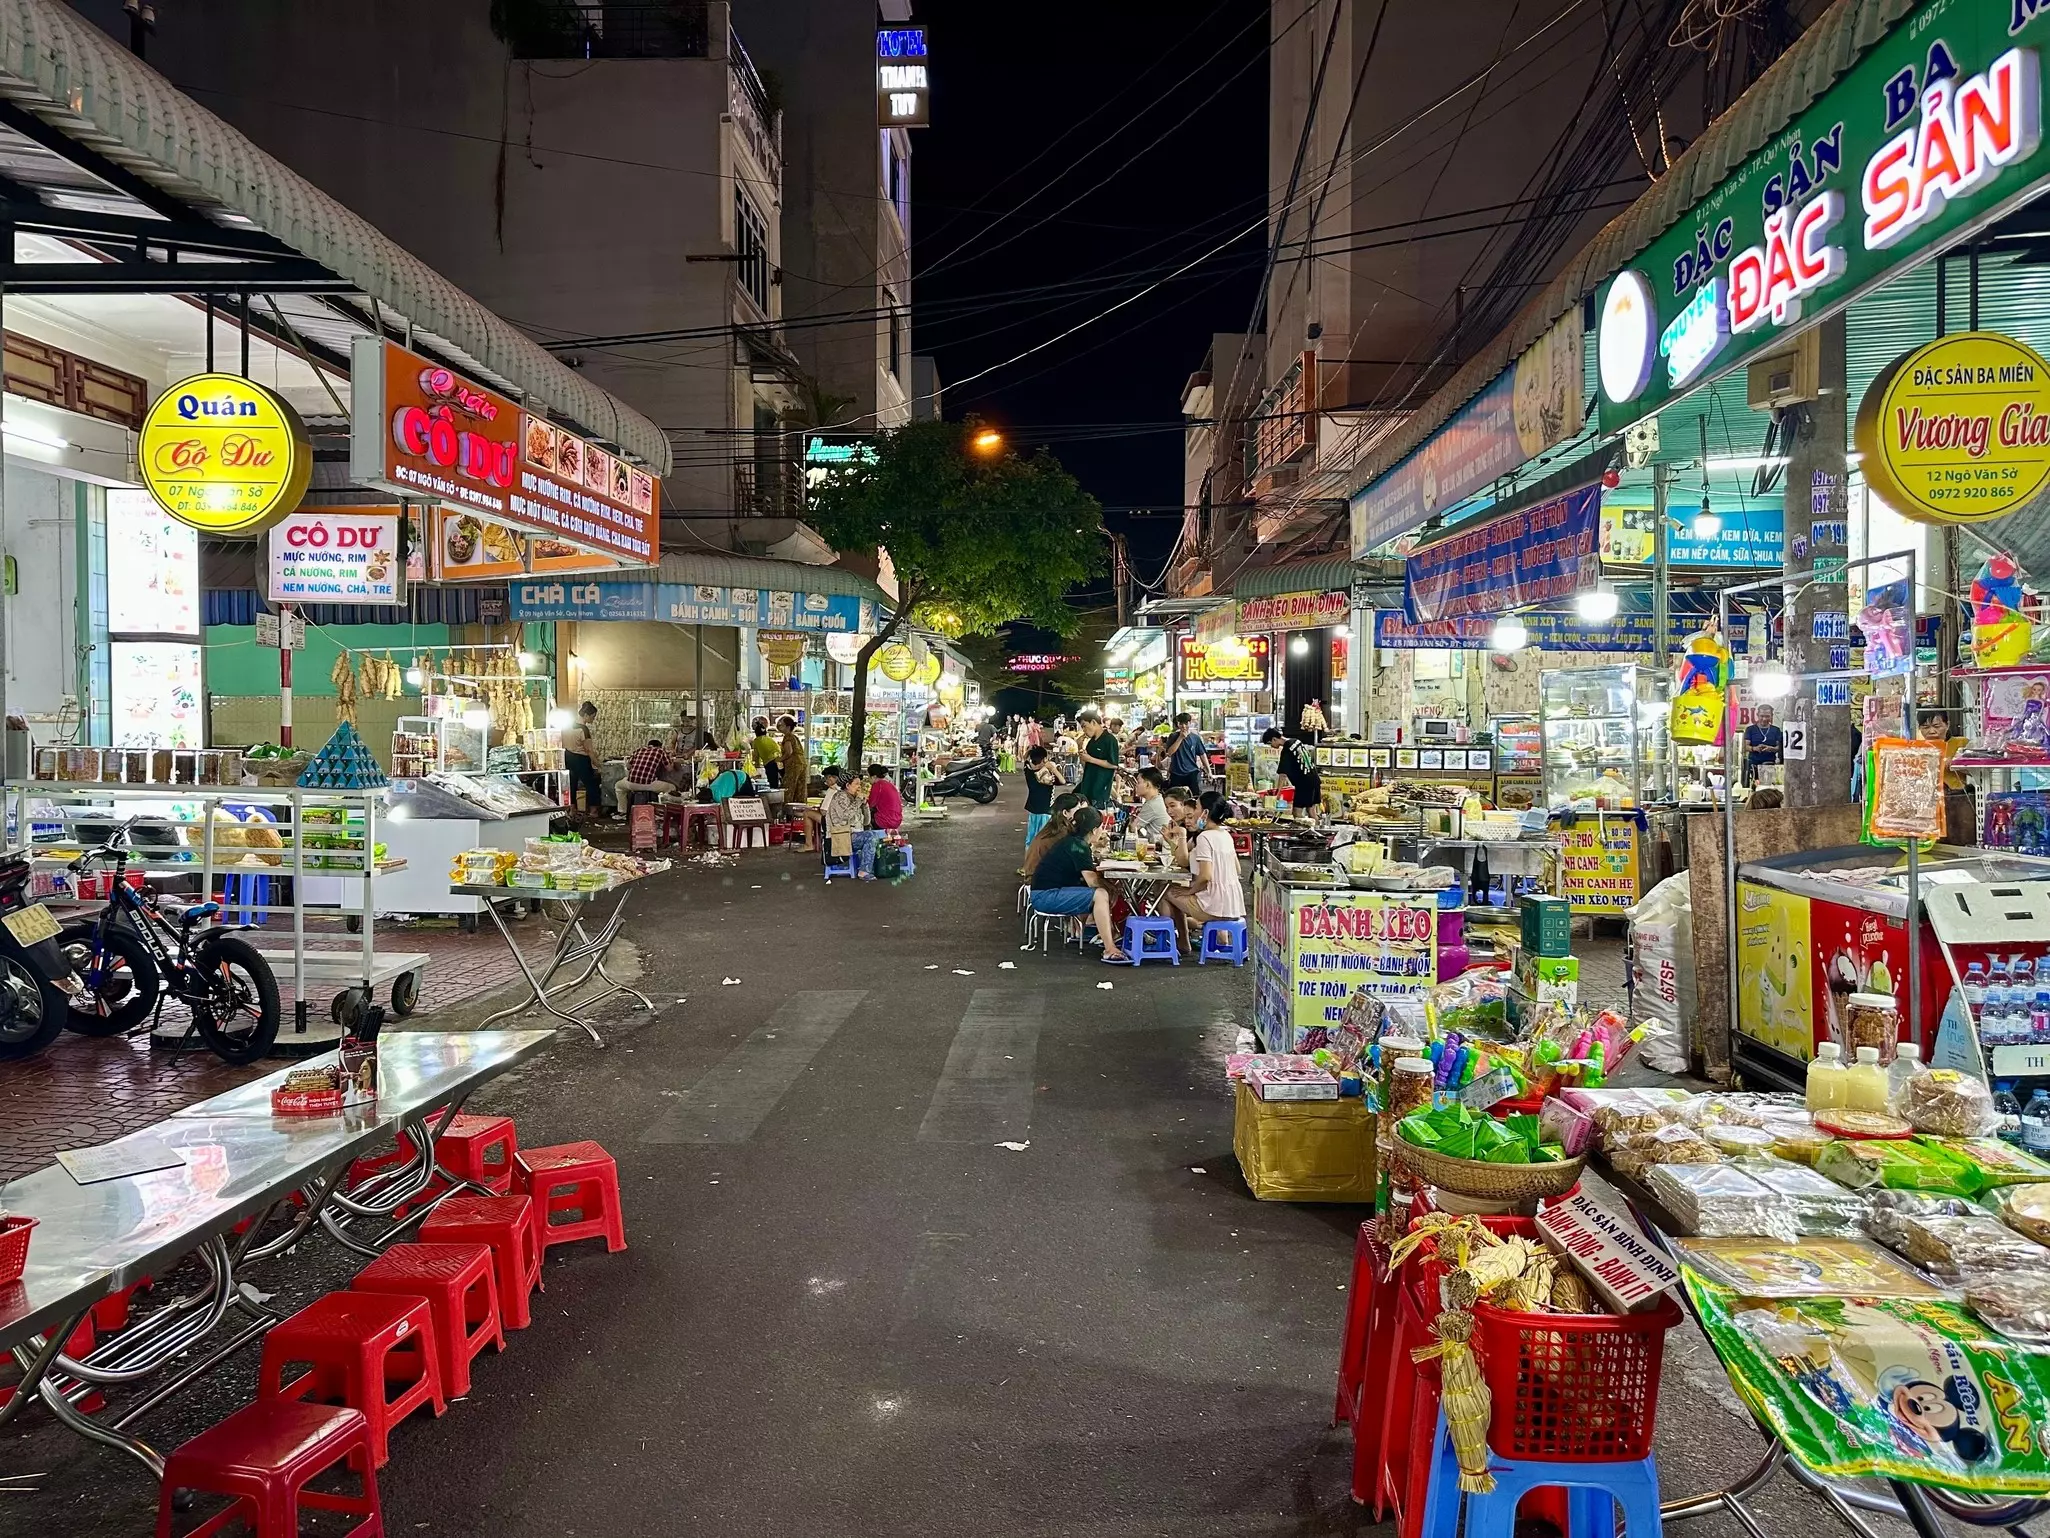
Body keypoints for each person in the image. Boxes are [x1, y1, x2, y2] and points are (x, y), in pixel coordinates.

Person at [1029, 806, 1128, 962]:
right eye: (1101, 827)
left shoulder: (1072, 842)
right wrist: (1109, 887)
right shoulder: (1079, 847)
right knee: (1100, 894)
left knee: (1095, 891)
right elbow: (1092, 882)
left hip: (1043, 893)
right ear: (1095, 830)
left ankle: (1084, 931)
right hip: (1046, 897)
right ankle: (1110, 949)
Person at [1162, 796, 1247, 952]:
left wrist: (1190, 891)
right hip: (1233, 905)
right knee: (1177, 892)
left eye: (1197, 808)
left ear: (1205, 812)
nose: (1194, 813)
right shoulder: (1225, 835)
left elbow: (1205, 877)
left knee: (1166, 891)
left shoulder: (1204, 837)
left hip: (1213, 905)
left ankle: (1179, 940)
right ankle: (1191, 941)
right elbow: (1238, 869)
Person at [1023, 792, 1082, 881]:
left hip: (1036, 875)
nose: (1081, 813)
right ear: (1065, 813)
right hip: (1038, 881)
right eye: (1078, 810)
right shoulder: (1061, 832)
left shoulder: (1056, 825)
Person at [1263, 727, 1323, 812]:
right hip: (1314, 780)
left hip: (1304, 784)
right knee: (1312, 812)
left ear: (1274, 739)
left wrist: (1278, 794)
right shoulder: (1296, 741)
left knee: (1297, 812)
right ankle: (1315, 825)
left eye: (1270, 743)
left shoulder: (1287, 748)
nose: (1271, 746)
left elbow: (1282, 774)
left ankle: (1303, 825)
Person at [562, 701, 604, 818]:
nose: (593, 719)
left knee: (571, 785)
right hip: (581, 759)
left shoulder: (568, 726)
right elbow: (589, 750)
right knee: (592, 784)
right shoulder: (584, 729)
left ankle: (572, 810)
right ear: (585, 715)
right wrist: (598, 765)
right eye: (592, 717)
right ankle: (593, 811)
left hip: (568, 757)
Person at [618, 737, 677, 810]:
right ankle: (664, 811)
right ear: (659, 746)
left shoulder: (638, 750)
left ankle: (622, 811)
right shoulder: (661, 751)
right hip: (648, 784)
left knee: (618, 786)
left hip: (631, 783)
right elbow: (669, 769)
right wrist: (672, 762)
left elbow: (628, 766)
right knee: (672, 788)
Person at [1077, 713, 1122, 810]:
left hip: (1100, 788)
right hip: (1087, 785)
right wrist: (1081, 751)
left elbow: (1113, 765)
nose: (1084, 730)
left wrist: (1091, 759)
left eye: (1084, 726)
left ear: (1093, 722)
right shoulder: (1091, 742)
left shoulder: (1110, 740)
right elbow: (1087, 765)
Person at [1021, 744, 1061, 848]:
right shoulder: (1046, 777)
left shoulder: (1028, 770)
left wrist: (1030, 751)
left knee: (1030, 839)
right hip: (1045, 811)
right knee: (1044, 839)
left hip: (1033, 808)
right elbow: (1063, 780)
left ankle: (1029, 862)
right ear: (1044, 760)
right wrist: (1052, 768)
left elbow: (1025, 759)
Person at [1164, 712, 1207, 796]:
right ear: (1178, 724)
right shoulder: (1173, 736)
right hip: (1176, 772)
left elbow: (1202, 754)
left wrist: (1208, 771)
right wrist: (1180, 738)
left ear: (1190, 723)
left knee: (1194, 797)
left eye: (1186, 723)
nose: (1183, 726)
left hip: (1192, 772)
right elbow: (1169, 753)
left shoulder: (1195, 737)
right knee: (1174, 797)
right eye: (1181, 723)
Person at [1744, 704, 1784, 784]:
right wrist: (1755, 748)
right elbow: (1745, 746)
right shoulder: (1750, 729)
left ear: (1771, 716)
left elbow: (1779, 747)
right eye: (1762, 716)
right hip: (1753, 766)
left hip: (1770, 766)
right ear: (1757, 715)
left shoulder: (1776, 730)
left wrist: (1770, 748)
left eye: (1767, 716)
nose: (1764, 719)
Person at [778, 715, 810, 816]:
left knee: (789, 787)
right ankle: (801, 813)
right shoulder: (794, 736)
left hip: (793, 764)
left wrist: (778, 759)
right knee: (800, 788)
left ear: (788, 727)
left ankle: (787, 812)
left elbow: (789, 752)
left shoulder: (788, 736)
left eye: (781, 724)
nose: (778, 726)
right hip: (801, 763)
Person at [1129, 767, 1171, 841]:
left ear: (1148, 785)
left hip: (1158, 846)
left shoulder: (1152, 805)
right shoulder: (1157, 799)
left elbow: (1133, 828)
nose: (1136, 786)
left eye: (1138, 782)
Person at [865, 763, 904, 837]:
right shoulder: (889, 784)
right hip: (897, 819)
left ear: (874, 777)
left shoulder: (877, 785)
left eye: (868, 776)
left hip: (885, 820)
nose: (868, 778)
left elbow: (870, 804)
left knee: (865, 816)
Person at [750, 717, 782, 789]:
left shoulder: (756, 741)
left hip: (769, 762)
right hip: (779, 760)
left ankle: (774, 796)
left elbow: (756, 755)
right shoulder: (770, 739)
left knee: (773, 782)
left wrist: (756, 766)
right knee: (780, 780)